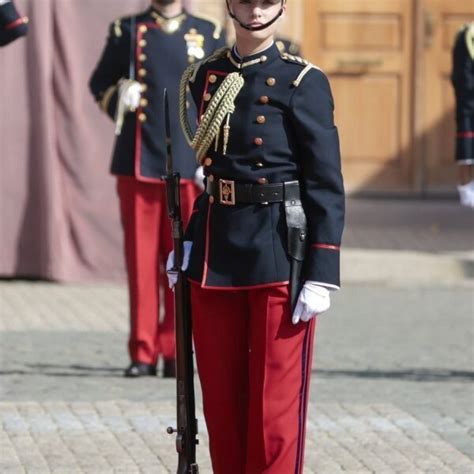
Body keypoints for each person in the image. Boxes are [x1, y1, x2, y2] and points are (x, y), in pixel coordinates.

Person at [168, 0, 344, 470]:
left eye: (267, 0)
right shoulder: (207, 76)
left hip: (279, 250)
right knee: (222, 403)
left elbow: (325, 183)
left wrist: (323, 269)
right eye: (246, 0)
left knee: (274, 411)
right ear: (230, 5)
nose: (256, 10)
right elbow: (212, 171)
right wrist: (186, 243)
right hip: (216, 249)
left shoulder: (303, 81)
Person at [89, 0, 226, 378]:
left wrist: (210, 154)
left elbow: (219, 99)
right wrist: (120, 94)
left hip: (189, 162)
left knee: (183, 262)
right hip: (139, 161)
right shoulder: (127, 29)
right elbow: (98, 82)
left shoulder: (210, 31)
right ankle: (143, 350)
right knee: (141, 263)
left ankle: (176, 349)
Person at [451, 22, 474, 208]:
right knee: (467, 148)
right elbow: (462, 77)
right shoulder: (467, 37)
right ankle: (466, 191)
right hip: (469, 104)